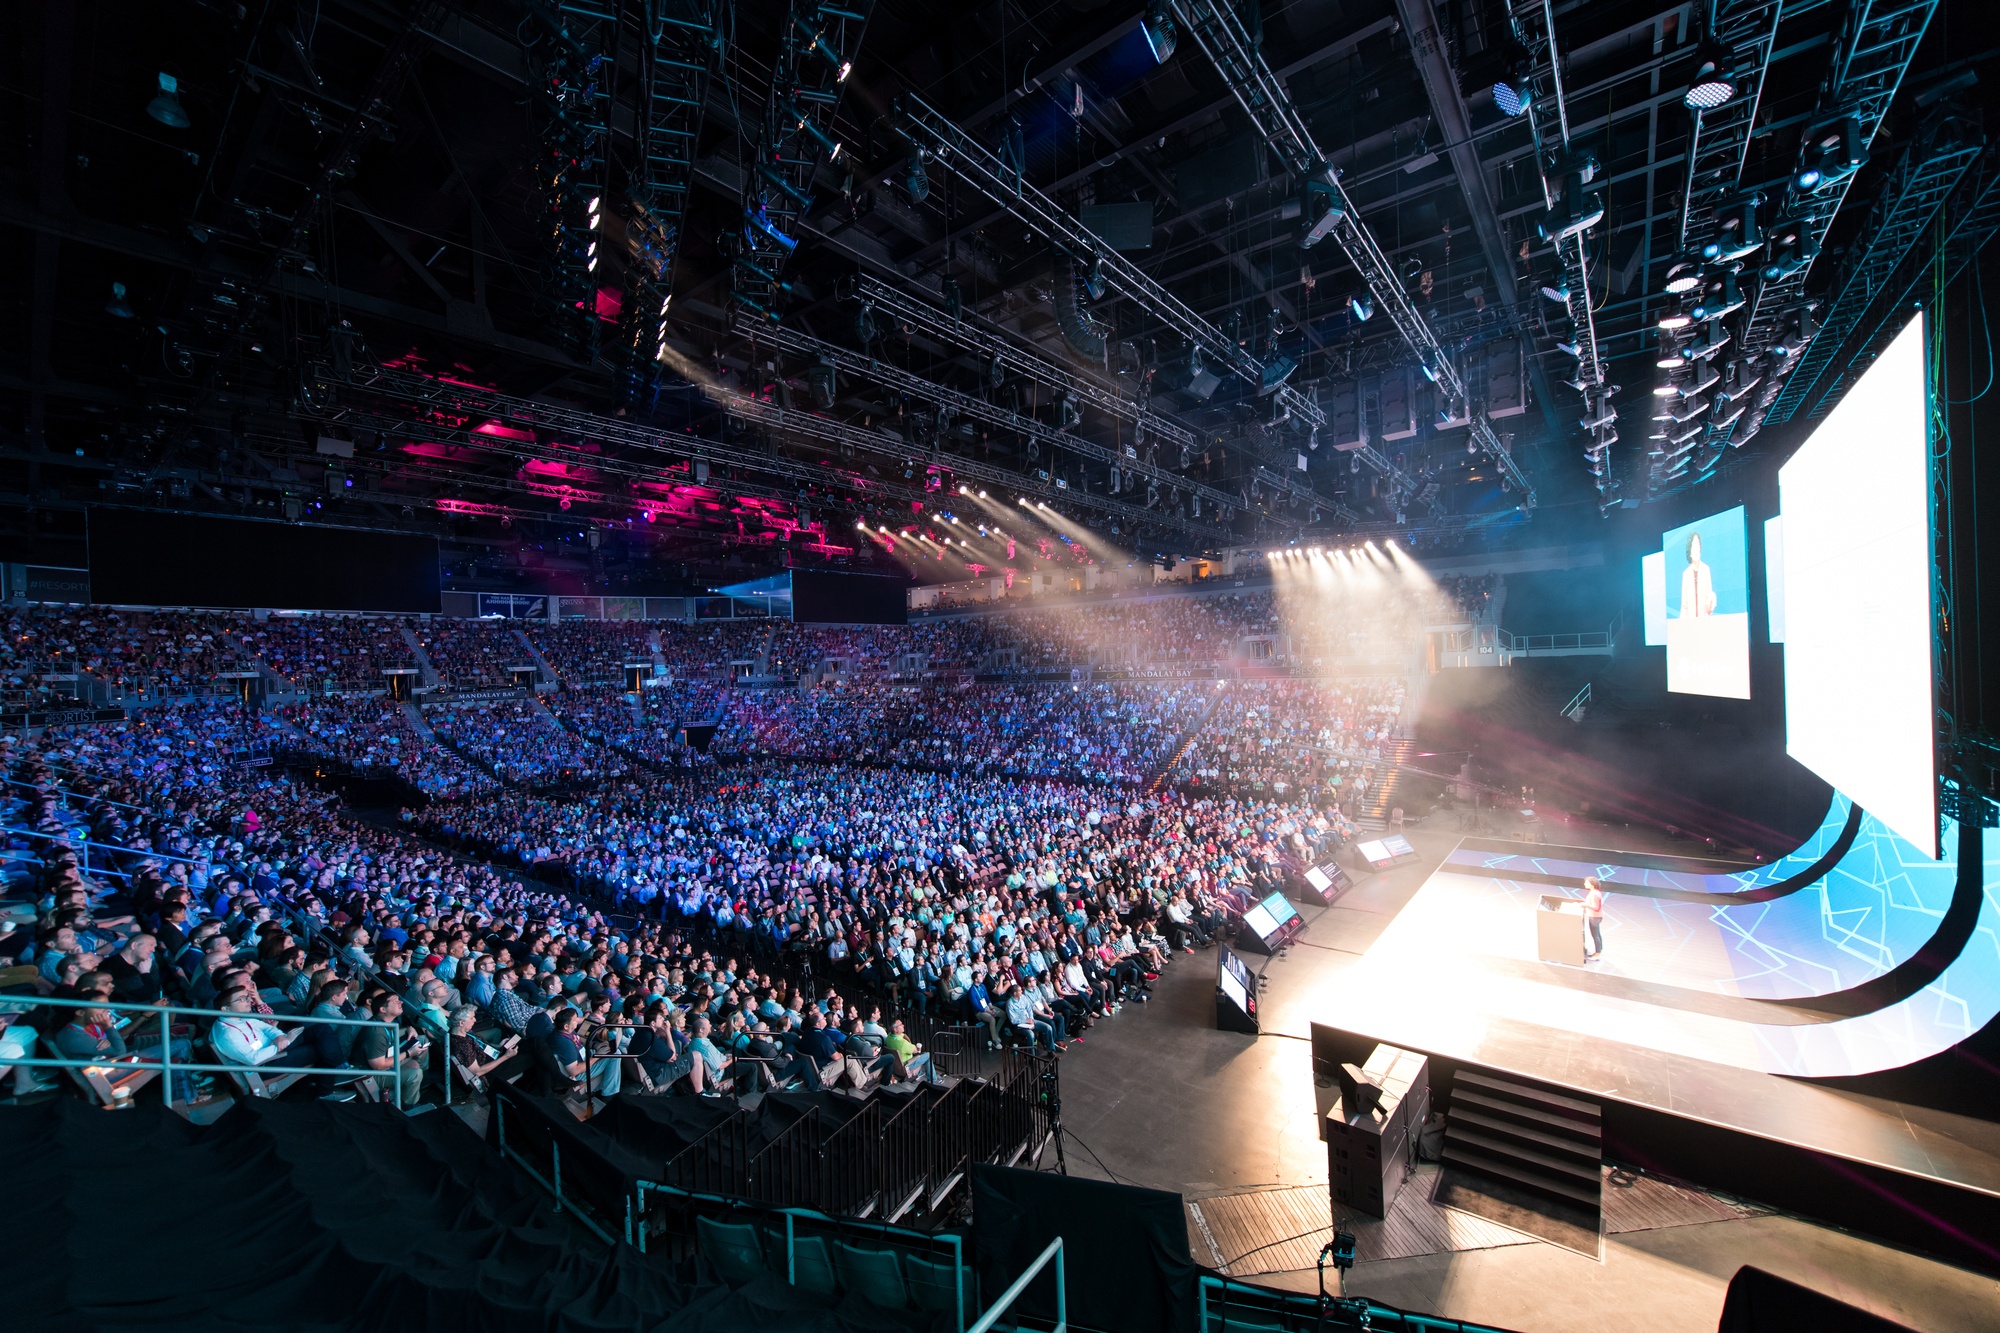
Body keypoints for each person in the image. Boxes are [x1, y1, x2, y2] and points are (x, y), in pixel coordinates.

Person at [1679, 532, 1716, 619]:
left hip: (1703, 623)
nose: (1696, 549)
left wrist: (1711, 601)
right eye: (1693, 546)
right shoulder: (1686, 574)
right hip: (1690, 624)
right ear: (1689, 551)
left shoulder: (1706, 570)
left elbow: (1709, 604)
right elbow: (1684, 606)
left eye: (1698, 545)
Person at [1581, 876, 1606, 961]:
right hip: (1595, 916)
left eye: (1586, 882)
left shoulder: (1594, 894)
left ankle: (1597, 953)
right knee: (1597, 934)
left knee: (1595, 935)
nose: (1585, 884)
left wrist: (1585, 905)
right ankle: (1599, 951)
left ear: (1591, 884)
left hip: (1595, 917)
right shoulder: (1595, 892)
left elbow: (1596, 907)